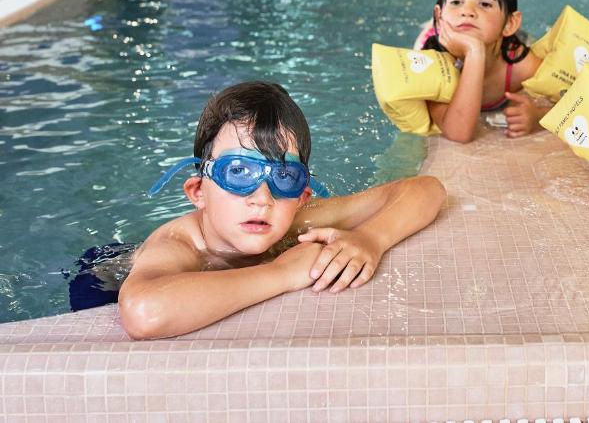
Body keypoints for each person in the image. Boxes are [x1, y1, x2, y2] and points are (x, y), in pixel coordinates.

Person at [118, 81, 446, 339]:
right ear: (198, 192)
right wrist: (282, 273)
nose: (262, 198)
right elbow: (143, 312)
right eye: (238, 172)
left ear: (302, 196)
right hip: (106, 276)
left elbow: (426, 190)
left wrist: (370, 239)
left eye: (284, 177)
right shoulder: (181, 245)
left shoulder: (294, 219)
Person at [418, 0, 547, 142]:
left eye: (485, 4)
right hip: (439, 38)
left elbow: (577, 105)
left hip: (503, 43)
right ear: (439, 17)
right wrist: (474, 51)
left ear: (510, 23)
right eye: (457, 2)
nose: (467, 11)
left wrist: (538, 117)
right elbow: (459, 133)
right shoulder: (433, 65)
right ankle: (443, 4)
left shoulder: (520, 64)